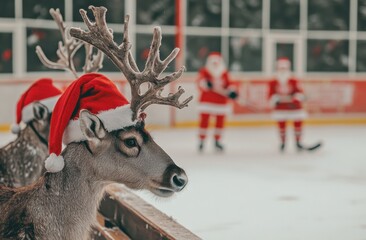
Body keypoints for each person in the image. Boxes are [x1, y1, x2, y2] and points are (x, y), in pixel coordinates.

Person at [268, 57, 321, 152]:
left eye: (284, 68)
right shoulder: (273, 82)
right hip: (281, 108)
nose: (283, 71)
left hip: (294, 108)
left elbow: (300, 93)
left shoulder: (294, 81)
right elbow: (270, 95)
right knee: (281, 126)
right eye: (281, 68)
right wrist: (275, 100)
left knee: (298, 124)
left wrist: (296, 99)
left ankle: (298, 142)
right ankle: (283, 143)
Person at [196, 52, 238, 152]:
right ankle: (201, 141)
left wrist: (232, 91)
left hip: (221, 102)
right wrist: (205, 83)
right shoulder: (205, 71)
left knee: (220, 123)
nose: (215, 65)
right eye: (213, 62)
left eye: (216, 62)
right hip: (207, 101)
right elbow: (200, 82)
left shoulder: (224, 73)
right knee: (204, 122)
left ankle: (217, 141)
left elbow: (230, 84)